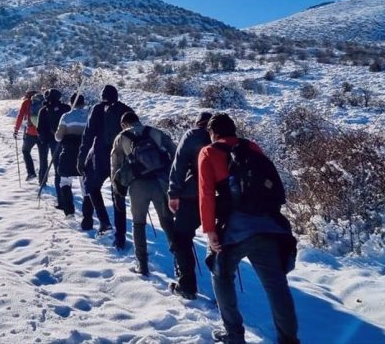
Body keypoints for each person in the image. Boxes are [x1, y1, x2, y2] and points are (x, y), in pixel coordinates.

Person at [198, 113, 299, 344]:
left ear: (213, 133)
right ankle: (289, 340)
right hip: (269, 225)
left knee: (221, 276)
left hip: (234, 230)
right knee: (276, 285)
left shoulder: (209, 152)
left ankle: (234, 335)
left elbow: (206, 194)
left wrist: (210, 230)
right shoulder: (252, 146)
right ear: (233, 130)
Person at [111, 111, 177, 275]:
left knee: (138, 224)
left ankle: (142, 265)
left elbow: (115, 164)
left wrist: (117, 188)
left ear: (124, 124)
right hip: (161, 183)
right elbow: (175, 152)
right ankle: (180, 264)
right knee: (167, 223)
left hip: (138, 185)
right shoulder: (155, 132)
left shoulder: (122, 136)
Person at [77, 85, 133, 248]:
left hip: (99, 156)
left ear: (102, 96)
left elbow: (88, 135)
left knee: (92, 187)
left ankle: (104, 222)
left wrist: (81, 157)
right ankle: (120, 237)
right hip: (120, 157)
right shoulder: (125, 109)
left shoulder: (97, 109)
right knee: (118, 195)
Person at [167, 111, 212, 299]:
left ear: (198, 122)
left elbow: (179, 165)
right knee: (219, 242)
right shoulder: (226, 138)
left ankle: (187, 285)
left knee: (181, 239)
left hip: (193, 195)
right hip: (220, 196)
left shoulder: (192, 135)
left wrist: (173, 194)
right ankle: (224, 291)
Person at [54, 93, 88, 217]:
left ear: (71, 103)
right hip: (84, 154)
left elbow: (58, 137)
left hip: (68, 153)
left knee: (64, 182)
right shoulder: (89, 116)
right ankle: (87, 214)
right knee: (85, 185)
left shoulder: (66, 116)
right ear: (83, 103)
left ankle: (69, 211)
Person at [37, 88, 71, 203]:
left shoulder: (43, 110)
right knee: (60, 168)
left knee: (50, 164)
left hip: (50, 141)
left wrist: (43, 140)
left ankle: (59, 195)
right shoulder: (66, 108)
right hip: (63, 141)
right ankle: (62, 195)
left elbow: (40, 128)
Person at [14, 90, 41, 181]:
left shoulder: (26, 103)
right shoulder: (43, 102)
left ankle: (31, 173)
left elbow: (20, 116)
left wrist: (16, 129)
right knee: (43, 156)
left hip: (31, 132)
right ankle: (43, 179)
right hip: (42, 133)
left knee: (25, 151)